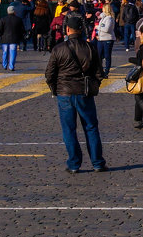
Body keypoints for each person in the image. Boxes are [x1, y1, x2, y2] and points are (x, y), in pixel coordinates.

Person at [44, 14, 107, 173]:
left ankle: (74, 164)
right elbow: (99, 73)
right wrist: (93, 86)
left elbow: (49, 74)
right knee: (91, 128)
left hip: (64, 93)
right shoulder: (90, 47)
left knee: (69, 129)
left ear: (67, 29)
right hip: (84, 92)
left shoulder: (59, 49)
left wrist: (55, 89)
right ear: (81, 30)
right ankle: (97, 163)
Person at [0, 5, 25, 71]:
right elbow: (22, 30)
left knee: (5, 52)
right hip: (14, 38)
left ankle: (4, 65)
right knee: (13, 52)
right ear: (14, 12)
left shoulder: (3, 19)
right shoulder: (18, 19)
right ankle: (11, 66)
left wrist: (0, 35)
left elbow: (0, 29)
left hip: (4, 38)